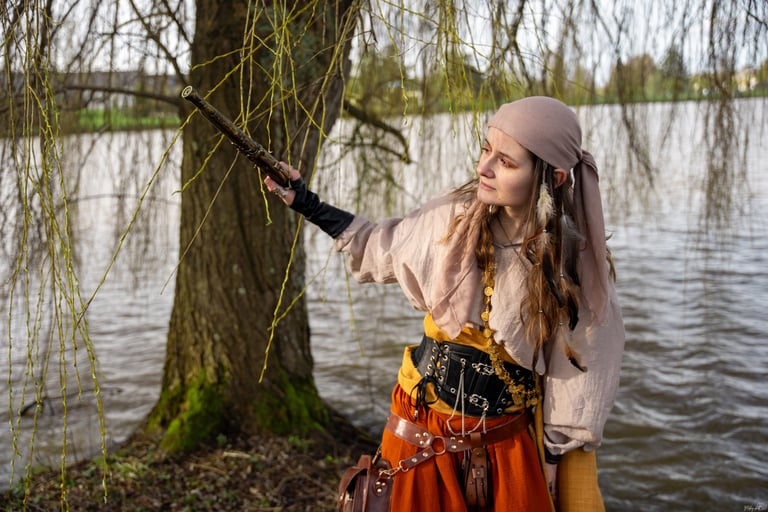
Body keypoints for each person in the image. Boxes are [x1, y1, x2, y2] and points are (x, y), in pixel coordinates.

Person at [265, 96, 625, 512]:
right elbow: (377, 244)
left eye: (506, 162)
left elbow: (581, 374)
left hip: (505, 444)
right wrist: (305, 201)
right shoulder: (451, 218)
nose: (483, 168)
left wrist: (553, 457)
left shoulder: (573, 265)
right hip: (417, 428)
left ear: (554, 178)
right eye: (486, 149)